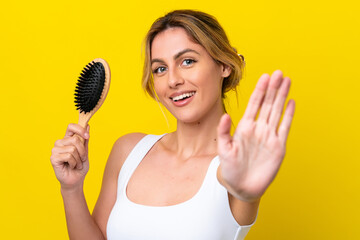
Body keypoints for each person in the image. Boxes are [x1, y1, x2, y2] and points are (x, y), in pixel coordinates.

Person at [50, 10, 295, 240]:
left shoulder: (235, 168)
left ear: (224, 65)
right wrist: (71, 189)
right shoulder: (128, 151)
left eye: (187, 61)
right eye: (160, 69)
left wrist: (248, 195)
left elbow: (245, 189)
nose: (173, 80)